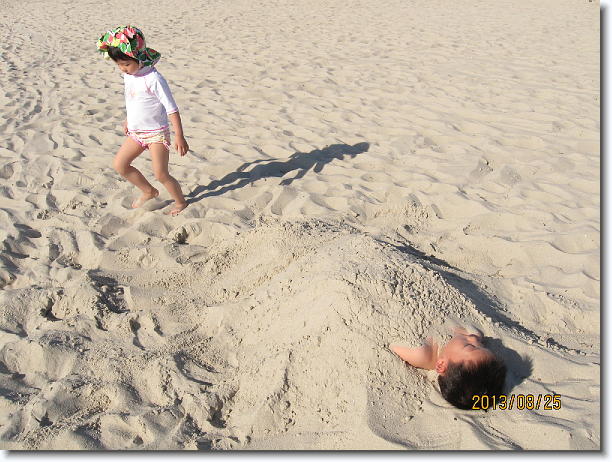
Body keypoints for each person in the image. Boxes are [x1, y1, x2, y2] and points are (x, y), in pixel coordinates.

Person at [96, 25, 189, 216]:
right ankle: (149, 191)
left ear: (138, 56)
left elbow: (172, 109)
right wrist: (128, 120)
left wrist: (179, 136)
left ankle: (180, 202)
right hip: (136, 132)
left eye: (126, 64)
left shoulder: (154, 79)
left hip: (156, 134)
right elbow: (133, 99)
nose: (123, 69)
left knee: (160, 173)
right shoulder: (129, 76)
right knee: (120, 165)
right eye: (119, 65)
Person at [390, 326, 507, 410]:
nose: (475, 339)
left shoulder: (421, 353)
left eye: (470, 346)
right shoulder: (459, 348)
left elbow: (390, 339)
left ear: (441, 365)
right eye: (482, 346)